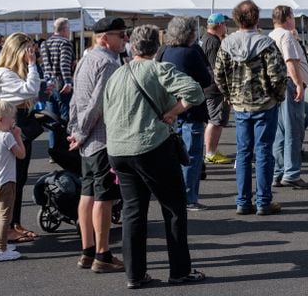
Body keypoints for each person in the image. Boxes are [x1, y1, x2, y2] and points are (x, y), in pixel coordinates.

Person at [104, 25, 206, 289]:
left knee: (133, 212)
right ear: (157, 47)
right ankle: (180, 271)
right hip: (150, 145)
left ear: (133, 47)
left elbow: (107, 111)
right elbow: (194, 91)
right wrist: (174, 111)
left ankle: (135, 274)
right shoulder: (158, 69)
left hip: (118, 149)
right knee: (173, 208)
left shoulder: (116, 75)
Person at [214, 0, 287, 215]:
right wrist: (277, 96)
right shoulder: (265, 43)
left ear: (236, 19)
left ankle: (243, 201)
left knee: (243, 153)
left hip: (240, 105)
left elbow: (218, 74)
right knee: (264, 152)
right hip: (265, 104)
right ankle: (264, 201)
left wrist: (229, 95)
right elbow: (278, 75)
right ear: (256, 18)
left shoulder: (226, 44)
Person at [68, 17, 127, 273]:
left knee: (87, 194)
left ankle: (88, 251)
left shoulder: (86, 58)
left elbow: (75, 100)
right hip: (101, 138)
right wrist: (80, 132)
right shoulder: (108, 62)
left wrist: (74, 130)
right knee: (104, 197)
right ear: (105, 38)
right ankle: (102, 254)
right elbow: (98, 103)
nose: (124, 38)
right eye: (121, 35)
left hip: (87, 139)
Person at [0, 32, 41, 243]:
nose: (32, 53)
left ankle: (13, 223)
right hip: (10, 133)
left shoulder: (9, 73)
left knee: (18, 180)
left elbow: (30, 91)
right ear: (18, 51)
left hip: (15, 129)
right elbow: (29, 90)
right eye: (28, 49)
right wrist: (33, 66)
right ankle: (6, 230)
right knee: (11, 182)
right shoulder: (5, 73)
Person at [158, 16, 213, 211]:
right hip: (191, 110)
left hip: (168, 110)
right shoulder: (191, 52)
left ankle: (176, 195)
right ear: (190, 33)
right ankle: (189, 198)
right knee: (191, 156)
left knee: (172, 157)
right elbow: (206, 80)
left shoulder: (163, 52)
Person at [268, 5, 308, 189]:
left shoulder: (271, 35)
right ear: (287, 18)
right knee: (293, 128)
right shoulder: (286, 35)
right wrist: (299, 84)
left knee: (280, 130)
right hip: (289, 84)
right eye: (292, 16)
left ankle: (278, 171)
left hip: (277, 85)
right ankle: (291, 173)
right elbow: (290, 61)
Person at [0, 98, 26, 261]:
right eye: (11, 118)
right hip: (6, 182)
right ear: (1, 119)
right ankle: (1, 249)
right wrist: (18, 136)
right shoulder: (6, 137)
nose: (13, 121)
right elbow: (21, 154)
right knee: (5, 217)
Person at [200, 13, 233, 165]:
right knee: (216, 120)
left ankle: (211, 151)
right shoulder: (213, 42)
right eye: (224, 23)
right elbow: (216, 68)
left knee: (215, 120)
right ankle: (210, 152)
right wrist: (225, 89)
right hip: (215, 88)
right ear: (219, 25)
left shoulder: (207, 39)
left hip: (210, 87)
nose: (226, 26)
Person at [40, 17, 75, 149]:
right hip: (60, 81)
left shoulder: (45, 43)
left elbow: (44, 65)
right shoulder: (65, 43)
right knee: (65, 117)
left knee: (52, 118)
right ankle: (65, 147)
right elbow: (64, 64)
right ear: (65, 29)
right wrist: (68, 81)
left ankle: (53, 149)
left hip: (48, 82)